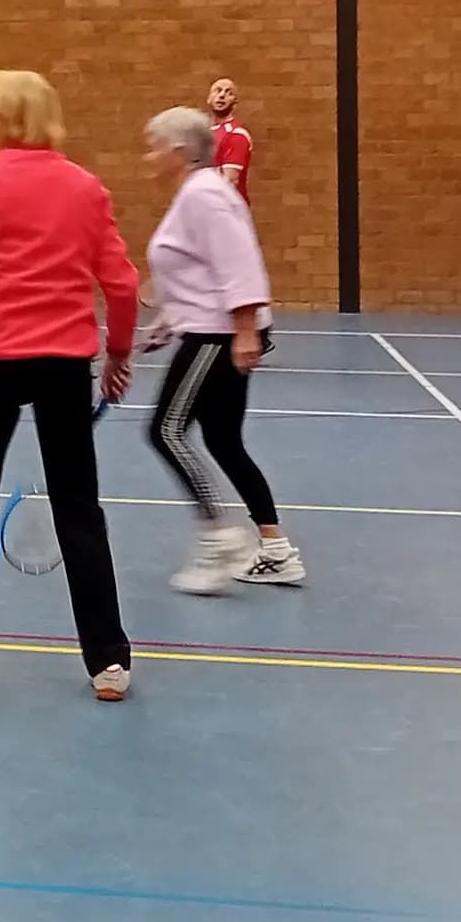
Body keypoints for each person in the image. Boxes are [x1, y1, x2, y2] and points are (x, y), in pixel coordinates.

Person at [0, 70, 138, 707]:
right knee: (80, 511)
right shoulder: (85, 187)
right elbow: (121, 283)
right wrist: (119, 351)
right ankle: (109, 662)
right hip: (65, 365)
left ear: (9, 118)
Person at [142, 106, 304, 592]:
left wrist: (245, 331)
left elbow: (238, 262)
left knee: (166, 431)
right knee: (223, 440)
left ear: (178, 151)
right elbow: (201, 273)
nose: (147, 157)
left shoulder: (204, 195)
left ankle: (218, 536)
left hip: (217, 335)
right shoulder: (198, 193)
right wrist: (168, 321)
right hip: (211, 328)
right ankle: (276, 550)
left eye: (153, 147)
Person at [207, 76, 253, 199]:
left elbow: (229, 182)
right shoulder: (204, 133)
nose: (222, 95)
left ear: (235, 103)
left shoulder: (237, 134)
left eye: (229, 93)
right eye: (218, 90)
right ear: (209, 99)